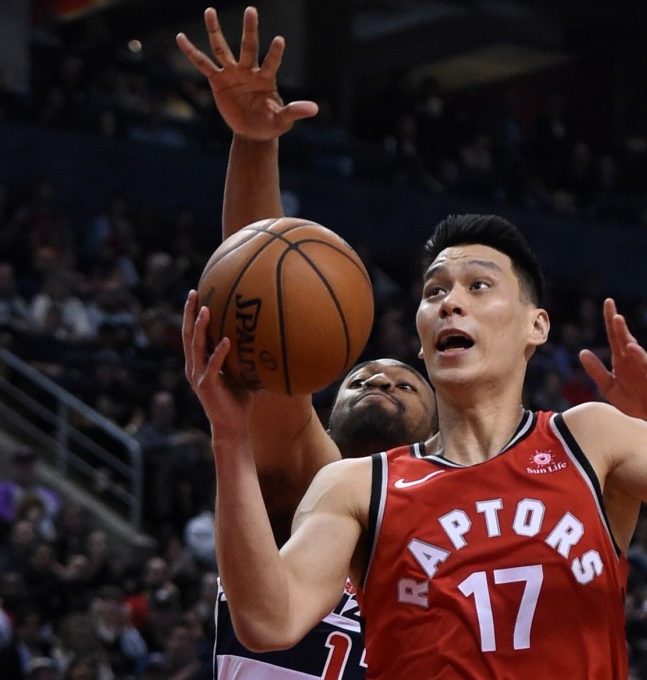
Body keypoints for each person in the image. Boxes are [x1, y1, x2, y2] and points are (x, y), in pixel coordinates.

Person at [180, 6, 647, 680]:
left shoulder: (590, 440)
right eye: (435, 288)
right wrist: (227, 437)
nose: (450, 298)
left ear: (537, 325)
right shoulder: (357, 485)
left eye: (479, 285)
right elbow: (267, 621)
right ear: (422, 338)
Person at [177, 7, 438, 679]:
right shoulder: (307, 481)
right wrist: (255, 144)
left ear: (435, 435)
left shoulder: (458, 529)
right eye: (363, 379)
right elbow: (259, 291)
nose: (380, 381)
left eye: (403, 383)